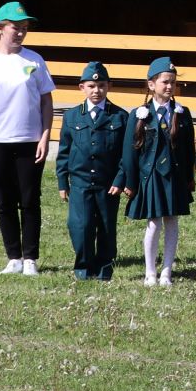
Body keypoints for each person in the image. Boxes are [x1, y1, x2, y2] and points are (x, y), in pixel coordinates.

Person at [0, 1, 55, 276]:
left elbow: (46, 102)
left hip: (29, 141)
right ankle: (13, 257)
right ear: (0, 29)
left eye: (24, 29)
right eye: (16, 28)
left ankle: (30, 258)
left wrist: (45, 136)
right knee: (4, 201)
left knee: (30, 199)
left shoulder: (34, 60)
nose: (20, 33)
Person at [55, 61, 132, 281]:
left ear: (109, 86)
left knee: (106, 227)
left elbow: (125, 155)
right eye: (91, 86)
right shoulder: (72, 116)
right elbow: (64, 152)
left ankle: (104, 267)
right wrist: (63, 182)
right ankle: (83, 266)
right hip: (80, 182)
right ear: (82, 88)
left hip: (107, 183)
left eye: (101, 86)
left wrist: (120, 179)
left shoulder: (120, 117)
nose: (96, 91)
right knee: (80, 225)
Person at [127, 56, 195, 287]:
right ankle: (150, 272)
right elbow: (130, 153)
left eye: (173, 83)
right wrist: (130, 181)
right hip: (152, 176)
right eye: (165, 81)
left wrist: (189, 178)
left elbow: (188, 150)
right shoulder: (139, 114)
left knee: (172, 221)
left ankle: (166, 271)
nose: (169, 86)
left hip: (174, 176)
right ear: (151, 84)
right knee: (153, 223)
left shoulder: (182, 113)